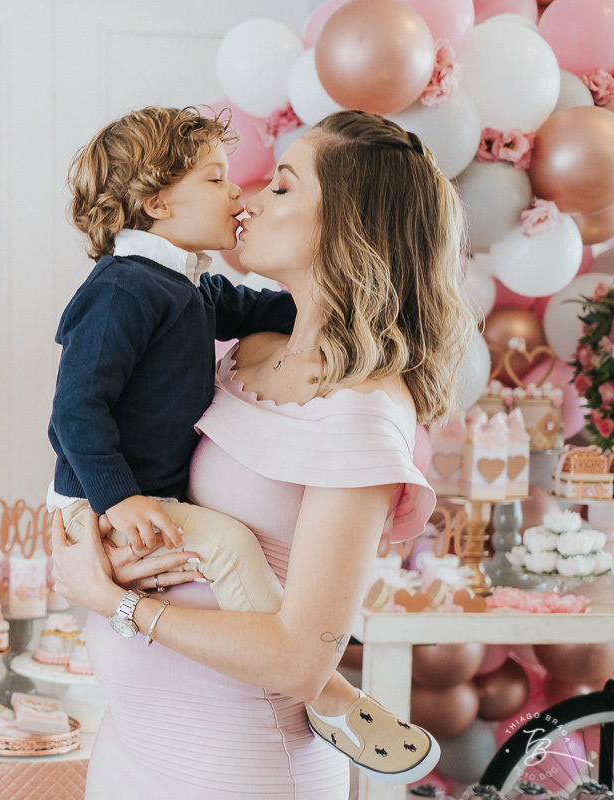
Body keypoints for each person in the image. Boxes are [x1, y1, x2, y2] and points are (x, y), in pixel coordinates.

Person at [49, 109, 473, 798]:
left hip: (240, 768)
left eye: (281, 187)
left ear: (346, 225)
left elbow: (300, 657)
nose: (246, 198)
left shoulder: (361, 410)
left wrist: (119, 605)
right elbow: (113, 442)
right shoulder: (233, 351)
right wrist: (98, 555)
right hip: (131, 750)